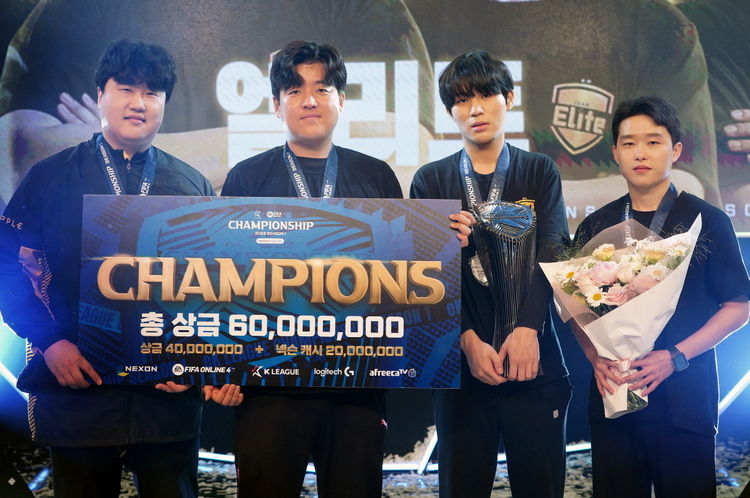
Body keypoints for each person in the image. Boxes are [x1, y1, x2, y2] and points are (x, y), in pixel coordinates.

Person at [0, 39, 214, 497]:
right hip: (78, 389)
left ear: (165, 104)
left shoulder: (191, 184)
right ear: (100, 94)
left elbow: (213, 286)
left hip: (166, 398)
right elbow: (7, 265)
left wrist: (194, 357)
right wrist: (49, 342)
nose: (139, 103)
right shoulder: (50, 176)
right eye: (126, 89)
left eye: (153, 93)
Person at [212, 40, 402, 498]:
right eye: (294, 90)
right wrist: (219, 366)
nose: (309, 100)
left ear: (342, 99)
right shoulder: (247, 178)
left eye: (322, 89)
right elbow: (220, 282)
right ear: (276, 106)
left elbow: (401, 276)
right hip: (268, 388)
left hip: (356, 387)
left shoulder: (376, 176)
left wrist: (447, 245)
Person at [410, 50, 572, 498]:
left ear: (509, 98)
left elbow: (552, 251)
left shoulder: (538, 170)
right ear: (450, 112)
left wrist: (527, 329)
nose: (475, 109)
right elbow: (425, 277)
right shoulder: (430, 180)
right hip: (463, 367)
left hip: (533, 360)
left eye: (485, 95)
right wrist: (465, 338)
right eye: (462, 100)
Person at [572, 95, 750, 498]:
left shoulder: (708, 220)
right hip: (615, 396)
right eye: (629, 143)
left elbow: (738, 307)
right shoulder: (596, 225)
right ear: (615, 153)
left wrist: (675, 357)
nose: (641, 153)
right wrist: (594, 357)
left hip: (685, 398)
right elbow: (577, 310)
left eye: (653, 142)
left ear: (676, 151)